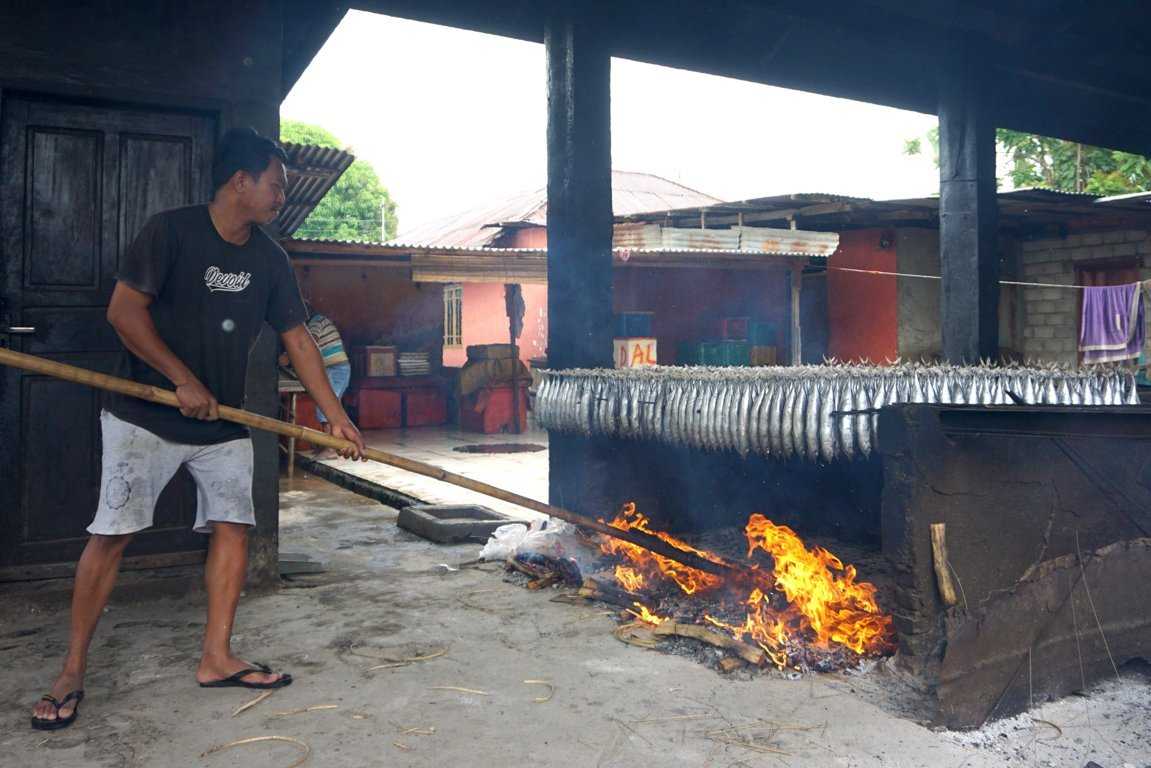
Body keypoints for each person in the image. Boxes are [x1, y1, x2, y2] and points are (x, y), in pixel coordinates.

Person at [30, 128, 366, 731]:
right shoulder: (171, 232)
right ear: (240, 181)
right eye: (275, 184)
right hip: (145, 415)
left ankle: (216, 657)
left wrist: (335, 415)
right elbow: (123, 312)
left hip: (223, 419)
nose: (279, 197)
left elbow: (297, 339)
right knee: (113, 534)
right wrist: (181, 378)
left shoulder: (269, 257)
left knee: (234, 528)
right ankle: (72, 669)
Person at [278, 305, 352, 458]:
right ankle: (328, 446)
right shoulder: (313, 322)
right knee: (325, 408)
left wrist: (284, 358)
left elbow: (307, 346)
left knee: (326, 409)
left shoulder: (317, 322)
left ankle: (331, 450)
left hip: (336, 369)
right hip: (332, 369)